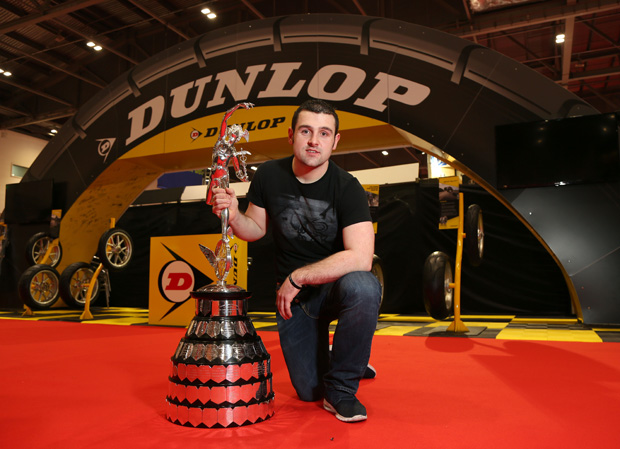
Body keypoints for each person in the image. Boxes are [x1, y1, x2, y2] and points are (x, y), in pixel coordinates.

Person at [210, 99, 382, 423]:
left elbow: (361, 257)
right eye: (306, 131)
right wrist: (233, 215)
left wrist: (298, 276)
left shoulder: (348, 187)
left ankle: (343, 388)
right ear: (291, 135)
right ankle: (344, 359)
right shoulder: (268, 176)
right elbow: (255, 229)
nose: (314, 140)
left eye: (324, 133)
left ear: (335, 141)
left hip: (333, 288)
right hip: (296, 303)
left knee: (365, 286)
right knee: (307, 391)